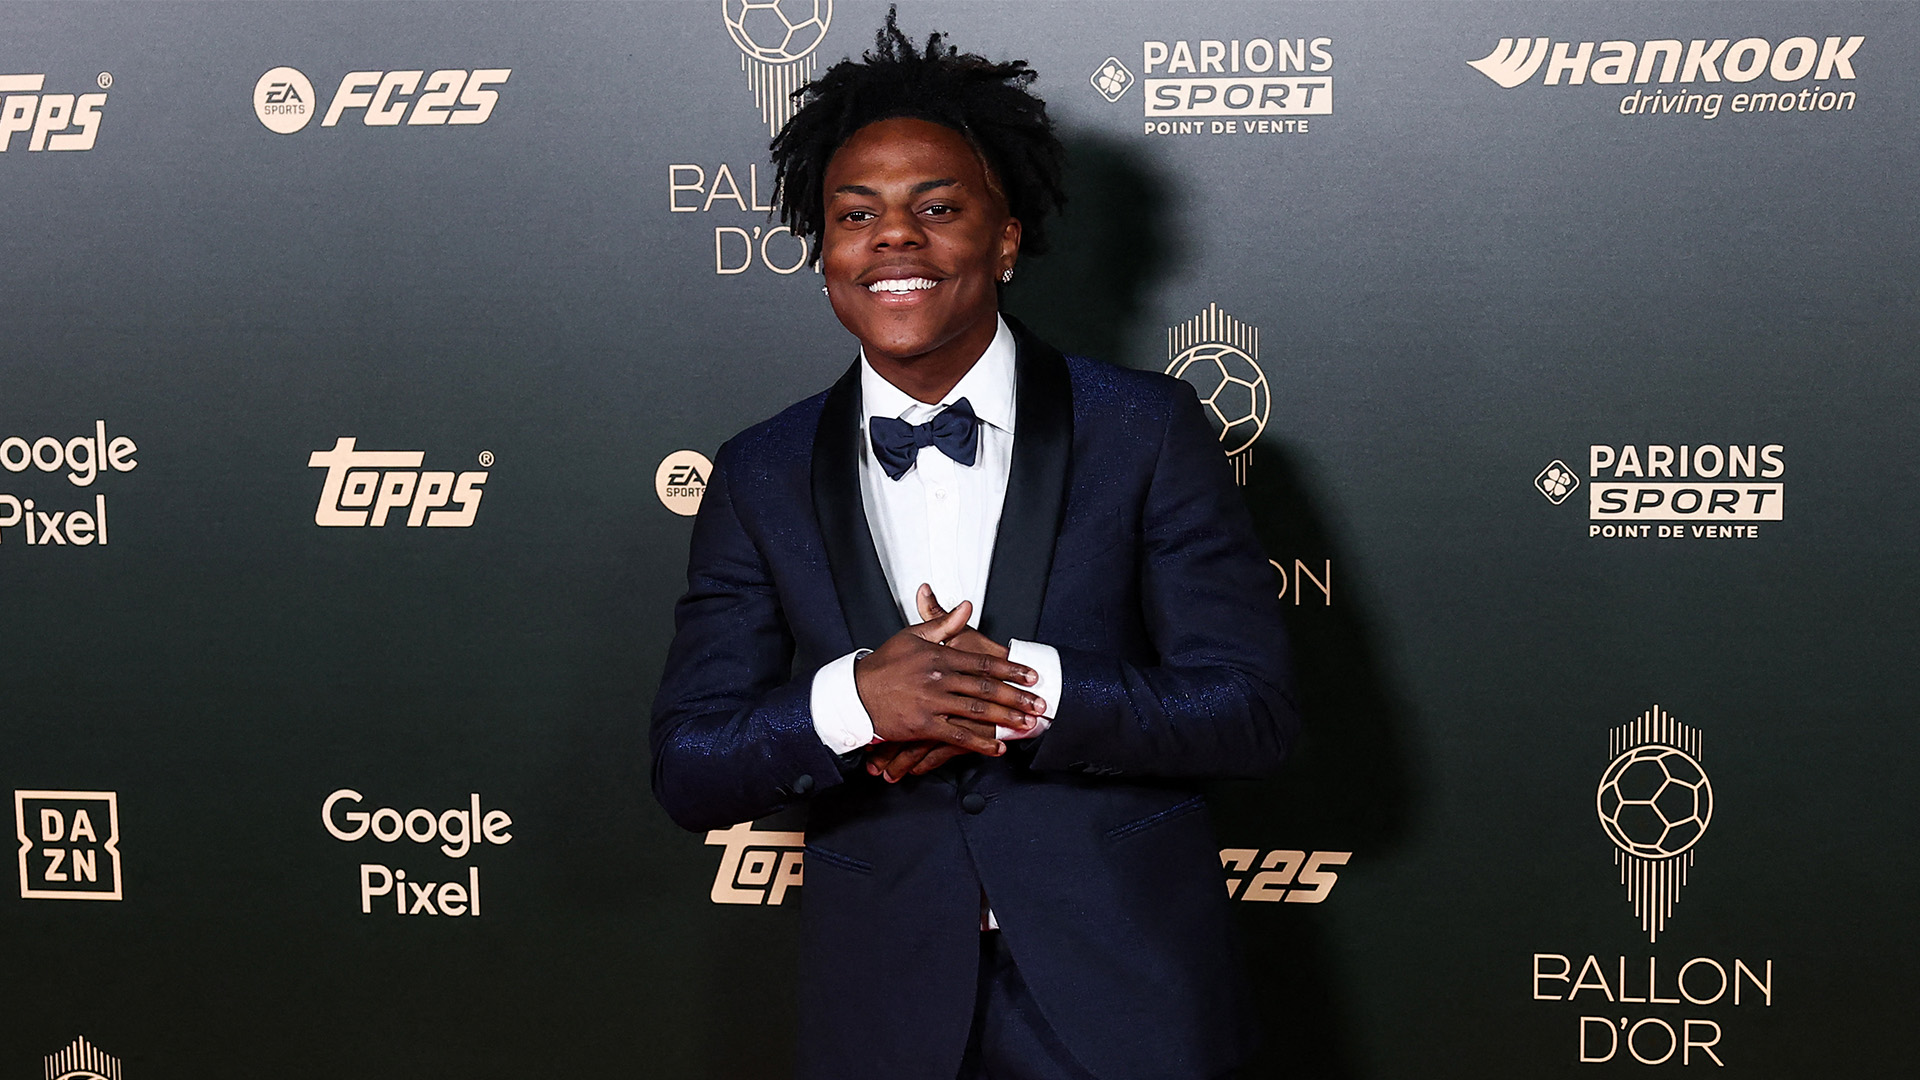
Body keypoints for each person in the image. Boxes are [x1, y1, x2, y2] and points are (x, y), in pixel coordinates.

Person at [650, 13, 1298, 1080]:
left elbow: (1251, 711)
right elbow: (689, 767)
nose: (893, 238)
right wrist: (861, 702)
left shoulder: (1145, 429)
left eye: (938, 208)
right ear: (825, 254)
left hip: (1127, 1000)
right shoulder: (759, 472)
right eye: (856, 214)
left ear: (1005, 239)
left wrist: (1011, 693)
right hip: (882, 1012)